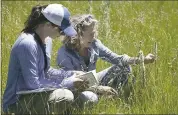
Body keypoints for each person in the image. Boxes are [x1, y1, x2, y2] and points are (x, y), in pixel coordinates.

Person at [3, 4, 93, 114]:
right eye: (61, 30)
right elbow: (33, 85)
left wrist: (71, 74)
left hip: (36, 96)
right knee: (66, 96)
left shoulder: (46, 40)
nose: (63, 34)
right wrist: (69, 83)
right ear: (48, 25)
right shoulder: (27, 44)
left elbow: (47, 71)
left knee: (86, 98)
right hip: (17, 104)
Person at [57, 14, 156, 93]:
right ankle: (101, 95)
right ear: (78, 35)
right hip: (77, 89)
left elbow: (118, 59)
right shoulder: (64, 53)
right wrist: (99, 89)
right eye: (91, 34)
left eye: (95, 33)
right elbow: (71, 83)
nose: (94, 37)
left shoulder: (94, 43)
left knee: (124, 67)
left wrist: (142, 60)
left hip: (93, 80)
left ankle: (114, 95)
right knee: (90, 98)